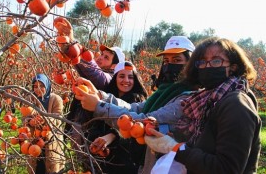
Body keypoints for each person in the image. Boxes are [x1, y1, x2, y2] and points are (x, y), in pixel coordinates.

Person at [74, 36, 197, 173]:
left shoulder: (188, 99)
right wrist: (100, 96)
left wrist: (99, 106)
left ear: (190, 64)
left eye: (177, 60)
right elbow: (135, 108)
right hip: (146, 163)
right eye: (166, 61)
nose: (169, 65)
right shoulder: (163, 92)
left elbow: (146, 121)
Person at [144, 37, 261, 173]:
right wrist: (171, 138)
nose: (208, 66)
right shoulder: (205, 100)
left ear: (233, 67)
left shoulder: (236, 105)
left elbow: (226, 169)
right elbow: (204, 143)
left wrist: (177, 148)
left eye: (216, 61)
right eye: (202, 62)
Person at [88, 61, 148, 174]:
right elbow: (94, 123)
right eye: (121, 76)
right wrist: (97, 140)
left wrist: (113, 135)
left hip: (126, 163)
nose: (126, 80)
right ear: (115, 78)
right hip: (102, 160)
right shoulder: (105, 98)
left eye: (130, 77)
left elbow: (135, 132)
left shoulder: (138, 103)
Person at [24, 74, 65, 174]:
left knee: (52, 166)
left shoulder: (56, 99)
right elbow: (24, 116)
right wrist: (30, 121)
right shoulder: (30, 99)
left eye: (42, 86)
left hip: (51, 139)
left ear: (47, 86)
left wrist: (45, 119)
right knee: (37, 167)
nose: (38, 89)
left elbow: (58, 118)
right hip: (35, 139)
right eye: (35, 86)